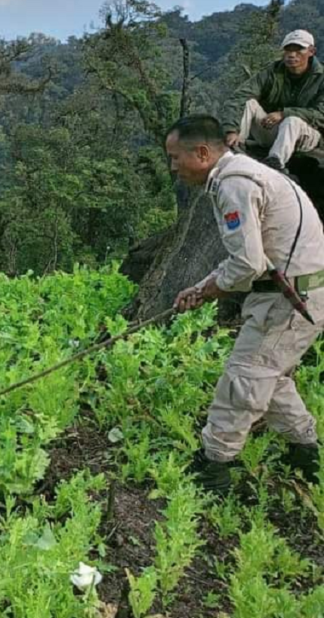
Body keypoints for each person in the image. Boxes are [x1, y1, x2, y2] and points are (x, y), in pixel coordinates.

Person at [168, 115, 324, 493]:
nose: (173, 167)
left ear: (203, 153)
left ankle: (214, 466)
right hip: (300, 292)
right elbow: (250, 258)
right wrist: (203, 286)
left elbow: (249, 264)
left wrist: (209, 290)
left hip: (289, 301)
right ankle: (307, 451)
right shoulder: (244, 173)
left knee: (244, 379)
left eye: (175, 157)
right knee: (269, 375)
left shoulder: (234, 184)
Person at [222, 29, 324, 172]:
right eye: (288, 50)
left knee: (292, 120)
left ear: (311, 51)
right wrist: (231, 129)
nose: (292, 55)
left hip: (307, 135)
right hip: (274, 131)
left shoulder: (321, 77)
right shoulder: (273, 71)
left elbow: (320, 114)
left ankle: (275, 163)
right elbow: (239, 96)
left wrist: (284, 113)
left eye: (298, 50)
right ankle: (235, 148)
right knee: (249, 103)